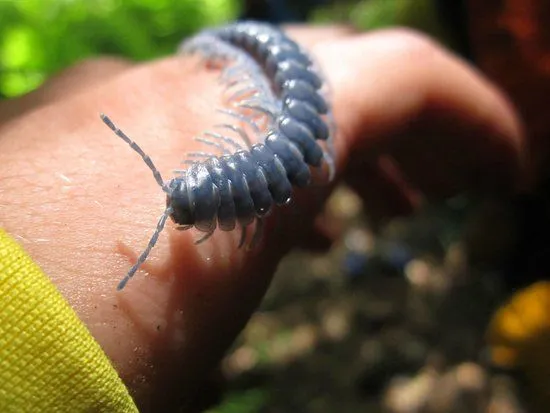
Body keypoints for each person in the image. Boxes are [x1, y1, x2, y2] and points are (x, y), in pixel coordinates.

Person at [0, 25, 524, 412]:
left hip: (276, 67)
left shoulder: (278, 156)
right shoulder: (253, 174)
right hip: (262, 66)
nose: (176, 204)